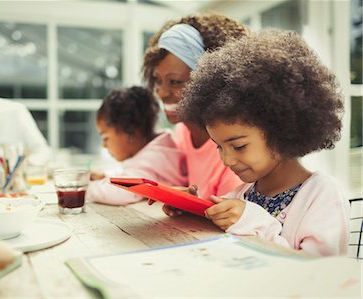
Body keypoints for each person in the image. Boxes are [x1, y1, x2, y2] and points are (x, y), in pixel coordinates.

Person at [178, 30, 349, 256]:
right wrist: (193, 209)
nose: (226, 159)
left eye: (238, 146)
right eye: (219, 146)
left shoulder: (323, 195)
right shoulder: (240, 195)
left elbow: (320, 275)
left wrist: (253, 222)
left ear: (282, 130)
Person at [142, 11, 247, 203]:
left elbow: (232, 219)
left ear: (208, 83)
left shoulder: (232, 146)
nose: (161, 92)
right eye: (158, 80)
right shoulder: (182, 133)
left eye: (174, 81)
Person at [86, 86, 187, 205]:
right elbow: (130, 173)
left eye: (105, 138)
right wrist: (106, 175)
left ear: (130, 133)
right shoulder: (157, 149)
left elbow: (121, 193)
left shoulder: (152, 160)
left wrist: (83, 189)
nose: (104, 145)